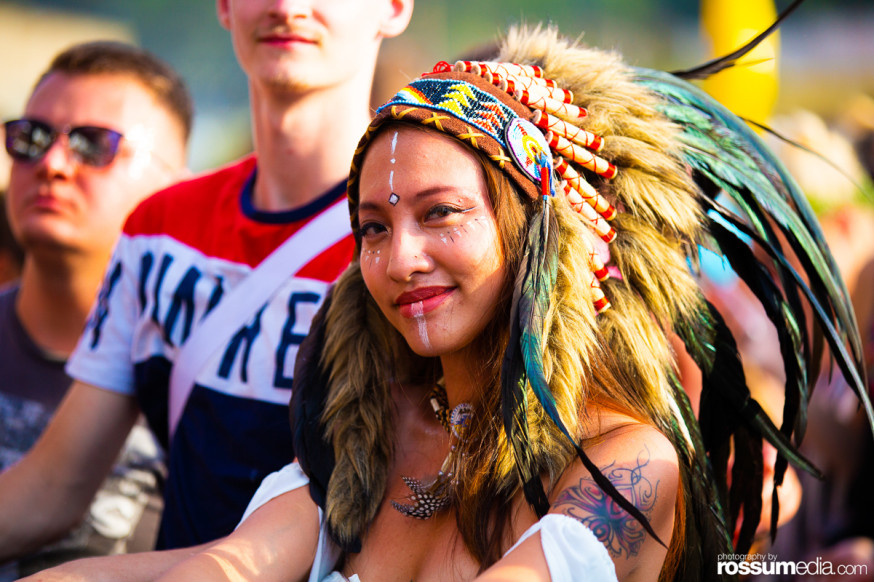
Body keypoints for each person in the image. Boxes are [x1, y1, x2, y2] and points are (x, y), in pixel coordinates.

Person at [148, 25, 869, 582]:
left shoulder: (624, 464)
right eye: (373, 227)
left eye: (441, 214)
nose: (400, 260)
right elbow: (229, 566)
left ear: (536, 239)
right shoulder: (367, 426)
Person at [0, 0, 414, 573]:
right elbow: (50, 489)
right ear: (223, 6)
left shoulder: (412, 246)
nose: (286, 7)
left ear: (394, 8)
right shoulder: (160, 228)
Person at [0, 41, 191, 578]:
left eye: (93, 144)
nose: (53, 165)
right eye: (29, 138)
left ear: (180, 187)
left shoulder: (204, 376)